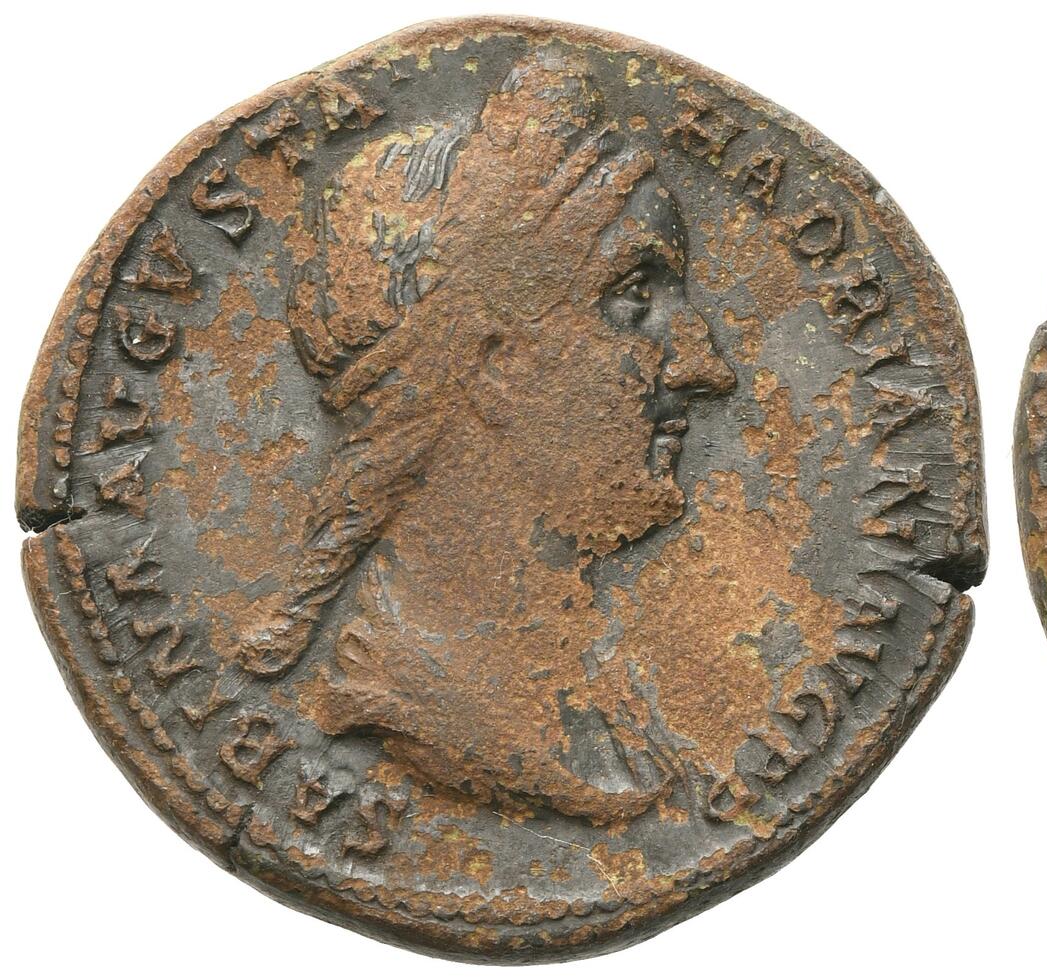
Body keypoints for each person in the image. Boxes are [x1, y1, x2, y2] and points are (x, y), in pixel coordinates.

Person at [233, 52, 735, 824]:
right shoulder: (429, 702)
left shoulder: (613, 710)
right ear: (486, 358)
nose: (707, 368)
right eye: (634, 296)